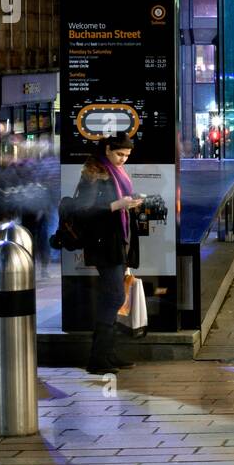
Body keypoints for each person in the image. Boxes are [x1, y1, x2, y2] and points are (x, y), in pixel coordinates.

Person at [74, 134, 141, 374]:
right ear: (107, 149)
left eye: (126, 156)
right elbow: (82, 211)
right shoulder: (94, 173)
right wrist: (117, 205)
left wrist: (129, 204)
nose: (123, 159)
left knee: (114, 297)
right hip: (103, 245)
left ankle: (108, 354)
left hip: (117, 242)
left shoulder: (117, 172)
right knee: (113, 297)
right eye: (119, 154)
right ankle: (98, 358)